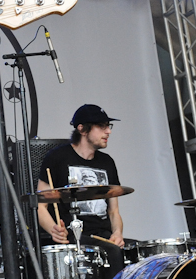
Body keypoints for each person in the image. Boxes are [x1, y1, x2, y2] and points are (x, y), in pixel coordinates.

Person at [37, 104, 125, 279]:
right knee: (113, 253)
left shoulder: (108, 162)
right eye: (102, 126)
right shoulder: (57, 157)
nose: (108, 131)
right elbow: (40, 206)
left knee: (135, 252)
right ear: (82, 129)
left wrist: (117, 233)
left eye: (109, 126)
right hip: (74, 235)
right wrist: (54, 229)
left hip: (103, 235)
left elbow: (114, 211)